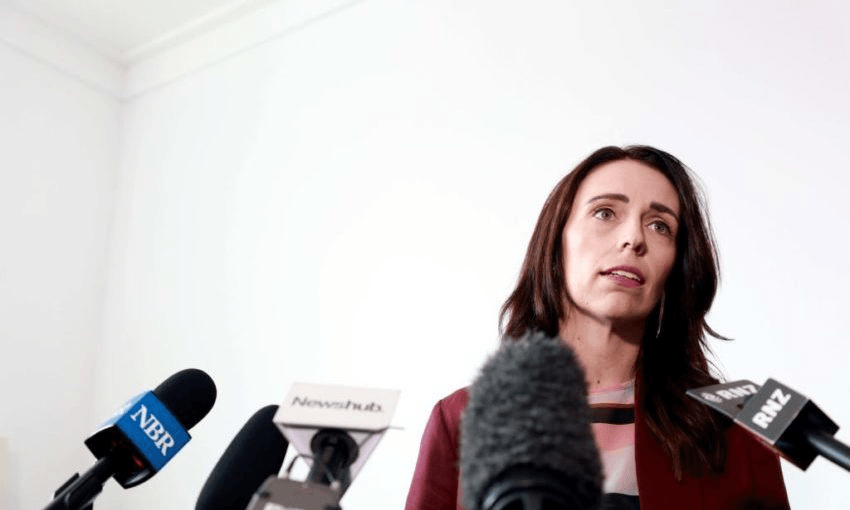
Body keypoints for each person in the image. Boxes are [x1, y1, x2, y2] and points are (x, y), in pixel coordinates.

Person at [405, 146, 790, 510]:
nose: (633, 238)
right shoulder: (461, 418)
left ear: (677, 266)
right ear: (557, 242)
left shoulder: (735, 430)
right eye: (605, 213)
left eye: (660, 226)